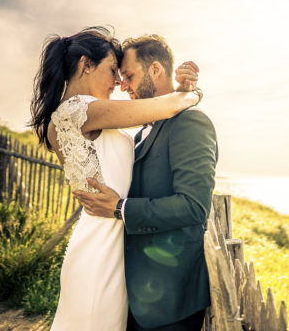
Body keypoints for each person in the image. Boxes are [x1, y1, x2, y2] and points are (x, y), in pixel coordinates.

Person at [29, 27, 201, 331]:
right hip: (102, 248)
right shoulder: (80, 109)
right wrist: (191, 91)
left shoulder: (73, 115)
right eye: (112, 70)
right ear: (85, 64)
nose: (119, 82)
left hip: (101, 239)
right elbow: (168, 106)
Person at [72, 34, 218, 331]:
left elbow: (193, 207)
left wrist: (119, 208)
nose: (123, 86)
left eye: (128, 76)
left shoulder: (190, 123)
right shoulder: (140, 134)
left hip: (170, 300)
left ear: (155, 70)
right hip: (132, 293)